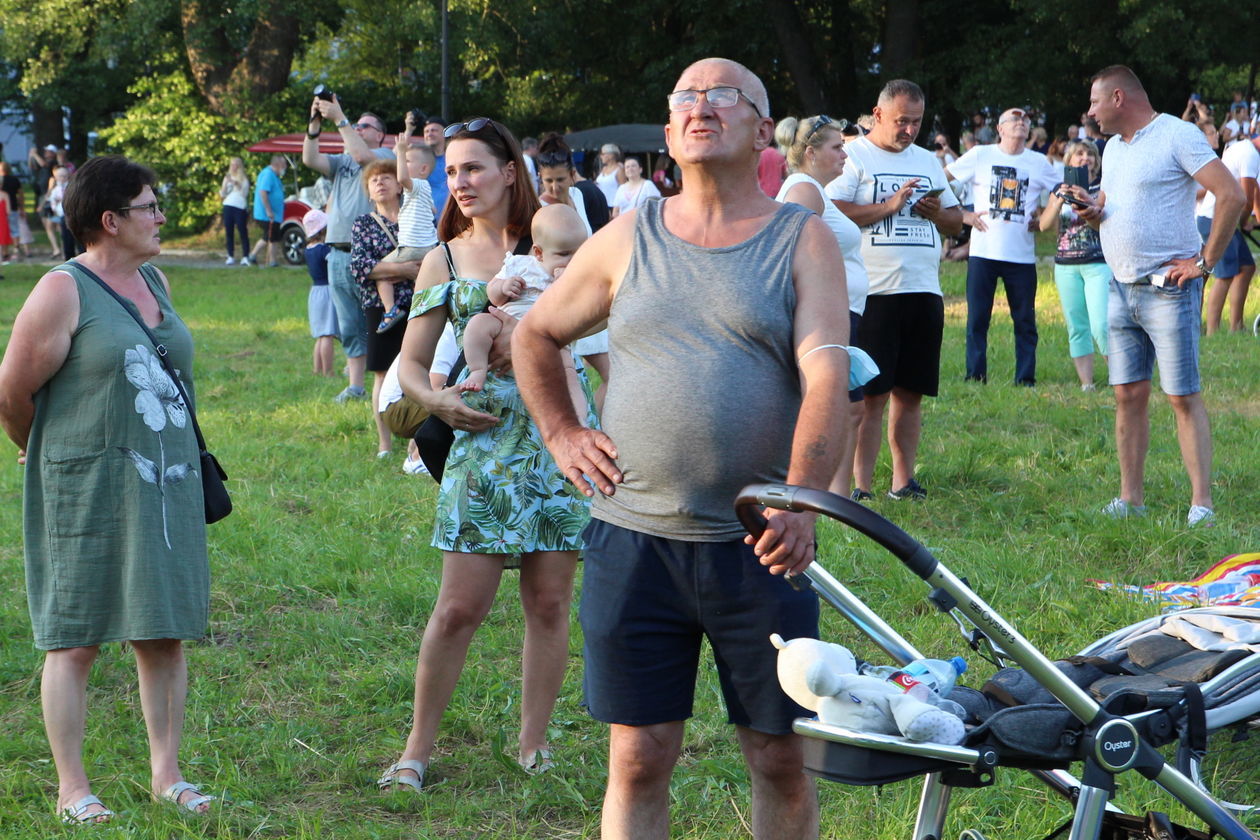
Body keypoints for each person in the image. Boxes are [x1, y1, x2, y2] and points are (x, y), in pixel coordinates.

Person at [514, 57, 852, 840]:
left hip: (760, 547)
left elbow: (828, 378)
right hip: (635, 542)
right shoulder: (626, 237)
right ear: (669, 132)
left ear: (764, 129)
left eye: (724, 95)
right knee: (638, 757)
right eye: (686, 99)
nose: (703, 107)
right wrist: (562, 432)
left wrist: (800, 502)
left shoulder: (802, 241)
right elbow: (535, 334)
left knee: (780, 757)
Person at [0, 155, 215, 825]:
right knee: (76, 637)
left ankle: (167, 777)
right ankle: (72, 790)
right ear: (111, 220)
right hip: (84, 486)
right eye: (150, 207)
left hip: (162, 483)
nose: (161, 217)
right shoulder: (63, 290)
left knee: (163, 632)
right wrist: (43, 452)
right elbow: (12, 391)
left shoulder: (156, 280)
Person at [382, 116, 593, 791]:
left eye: (472, 168)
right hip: (481, 440)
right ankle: (415, 751)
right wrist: (438, 404)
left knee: (550, 603)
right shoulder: (442, 259)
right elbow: (410, 365)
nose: (460, 182)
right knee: (458, 607)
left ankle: (533, 745)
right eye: (451, 172)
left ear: (510, 170)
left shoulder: (559, 239)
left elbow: (606, 340)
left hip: (560, 435)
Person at [1074, 65, 1244, 527]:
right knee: (1127, 394)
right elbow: (1109, 206)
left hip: (1170, 291)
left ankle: (1201, 505)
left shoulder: (1177, 135)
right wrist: (1091, 211)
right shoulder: (1111, 148)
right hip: (1119, 285)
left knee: (1181, 396)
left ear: (1117, 99)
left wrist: (1204, 264)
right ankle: (1131, 499)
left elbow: (1231, 196)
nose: (1089, 112)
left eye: (1093, 102)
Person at [828, 79, 962, 501]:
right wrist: (888, 207)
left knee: (911, 392)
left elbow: (957, 222)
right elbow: (831, 210)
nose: (909, 130)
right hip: (873, 292)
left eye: (917, 122)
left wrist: (936, 212)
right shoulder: (852, 157)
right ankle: (860, 487)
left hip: (922, 289)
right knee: (871, 395)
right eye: (902, 121)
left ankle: (903, 482)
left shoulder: (926, 160)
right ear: (879, 114)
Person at [775, 114, 870, 497]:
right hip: (827, 315)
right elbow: (789, 248)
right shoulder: (803, 188)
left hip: (841, 312)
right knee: (840, 408)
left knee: (849, 409)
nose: (845, 154)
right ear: (811, 153)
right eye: (837, 147)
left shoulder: (815, 189)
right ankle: (828, 498)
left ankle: (836, 498)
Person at [946, 107, 1058, 386]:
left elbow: (1062, 192)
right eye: (1014, 119)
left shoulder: (1038, 161)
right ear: (1000, 128)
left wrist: (1043, 216)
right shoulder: (980, 155)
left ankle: (1025, 378)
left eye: (1025, 120)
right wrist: (963, 215)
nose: (1020, 123)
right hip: (984, 253)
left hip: (1021, 256)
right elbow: (940, 179)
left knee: (1025, 321)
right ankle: (975, 376)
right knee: (977, 320)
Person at [302, 97, 395, 403]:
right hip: (338, 253)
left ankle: (392, 380)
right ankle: (356, 386)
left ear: (379, 134)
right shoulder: (343, 161)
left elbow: (361, 154)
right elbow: (310, 159)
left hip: (370, 253)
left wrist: (339, 116)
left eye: (365, 125)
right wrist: (314, 125)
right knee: (348, 323)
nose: (358, 127)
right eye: (357, 124)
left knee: (380, 317)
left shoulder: (382, 155)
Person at [460, 204, 589, 421]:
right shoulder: (519, 264)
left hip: (551, 343)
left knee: (569, 372)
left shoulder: (577, 279)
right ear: (538, 253)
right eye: (564, 254)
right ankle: (477, 369)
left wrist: (565, 288)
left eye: (579, 252)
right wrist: (503, 287)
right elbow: (492, 293)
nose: (572, 261)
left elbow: (579, 314)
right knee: (478, 324)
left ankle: (578, 419)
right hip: (505, 330)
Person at [349, 159, 423, 458]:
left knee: (419, 373)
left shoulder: (414, 219)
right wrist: (404, 269)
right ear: (368, 191)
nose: (379, 183)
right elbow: (360, 268)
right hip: (380, 309)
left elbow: (430, 257)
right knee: (381, 375)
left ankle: (416, 444)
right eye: (373, 180)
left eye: (386, 177)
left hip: (419, 304)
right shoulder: (363, 224)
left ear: (398, 185)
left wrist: (389, 269)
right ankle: (384, 443)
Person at [1038, 140, 1110, 389]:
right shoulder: (1059, 188)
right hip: (1066, 264)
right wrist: (1059, 201)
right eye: (1079, 154)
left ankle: (1121, 378)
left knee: (1101, 324)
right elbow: (1044, 225)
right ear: (1069, 161)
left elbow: (1100, 225)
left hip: (1098, 262)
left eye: (1090, 154)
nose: (1085, 158)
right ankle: (1086, 383)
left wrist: (1085, 202)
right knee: (1076, 325)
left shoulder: (1103, 187)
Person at [375, 111, 439, 334]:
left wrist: (401, 151)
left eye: (407, 161)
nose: (401, 164)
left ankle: (390, 310)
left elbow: (402, 178)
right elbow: (432, 209)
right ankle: (421, 310)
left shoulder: (416, 185)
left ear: (423, 169)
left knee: (381, 274)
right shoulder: (424, 189)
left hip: (413, 247)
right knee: (418, 283)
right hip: (427, 247)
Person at [1197, 125, 1258, 334]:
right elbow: (1248, 200)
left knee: (1247, 267)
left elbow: (1255, 192)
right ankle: (1212, 332)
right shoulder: (1250, 155)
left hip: (1223, 218)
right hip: (1215, 218)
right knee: (1225, 275)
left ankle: (1236, 326)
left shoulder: (1246, 149)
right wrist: (1244, 223)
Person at [302, 209, 339, 376]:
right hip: (327, 292)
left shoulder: (308, 250)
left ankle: (316, 369)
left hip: (315, 292)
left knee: (320, 335)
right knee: (327, 334)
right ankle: (328, 371)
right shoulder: (324, 250)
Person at [535, 133, 594, 233]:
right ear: (540, 177)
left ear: (572, 174)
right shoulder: (539, 208)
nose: (555, 187)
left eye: (560, 180)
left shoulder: (577, 195)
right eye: (549, 180)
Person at [246, 154, 285, 268]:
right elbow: (263, 192)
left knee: (273, 237)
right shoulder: (268, 174)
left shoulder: (274, 175)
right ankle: (262, 258)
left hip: (275, 214)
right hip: (267, 215)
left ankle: (268, 259)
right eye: (284, 165)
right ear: (277, 165)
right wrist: (269, 210)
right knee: (270, 236)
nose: (285, 168)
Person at [218, 157, 250, 265]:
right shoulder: (227, 178)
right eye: (232, 165)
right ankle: (230, 255)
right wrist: (226, 184)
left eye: (236, 165)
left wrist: (236, 183)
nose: (234, 167)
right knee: (229, 231)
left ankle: (245, 256)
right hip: (228, 205)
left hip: (239, 206)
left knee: (242, 231)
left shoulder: (243, 179)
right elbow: (222, 194)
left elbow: (244, 193)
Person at [1, 160, 31, 261]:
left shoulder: (1, 180)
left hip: (3, 209)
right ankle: (16, 248)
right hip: (13, 207)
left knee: (4, 230)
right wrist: (22, 207)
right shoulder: (14, 180)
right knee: (14, 229)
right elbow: (21, 194)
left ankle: (5, 251)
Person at [422, 117, 450, 214]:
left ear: (444, 133)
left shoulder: (453, 158)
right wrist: (409, 130)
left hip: (452, 218)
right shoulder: (419, 161)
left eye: (434, 130)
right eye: (426, 131)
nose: (429, 134)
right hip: (425, 221)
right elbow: (393, 159)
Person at [759, 121, 788, 196]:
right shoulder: (779, 154)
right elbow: (785, 174)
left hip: (762, 193)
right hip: (778, 192)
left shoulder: (758, 155)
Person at [594, 143, 626, 210]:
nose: (600, 156)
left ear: (611, 155)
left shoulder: (619, 170)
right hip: (601, 205)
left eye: (603, 154)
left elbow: (624, 189)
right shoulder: (603, 169)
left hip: (613, 206)